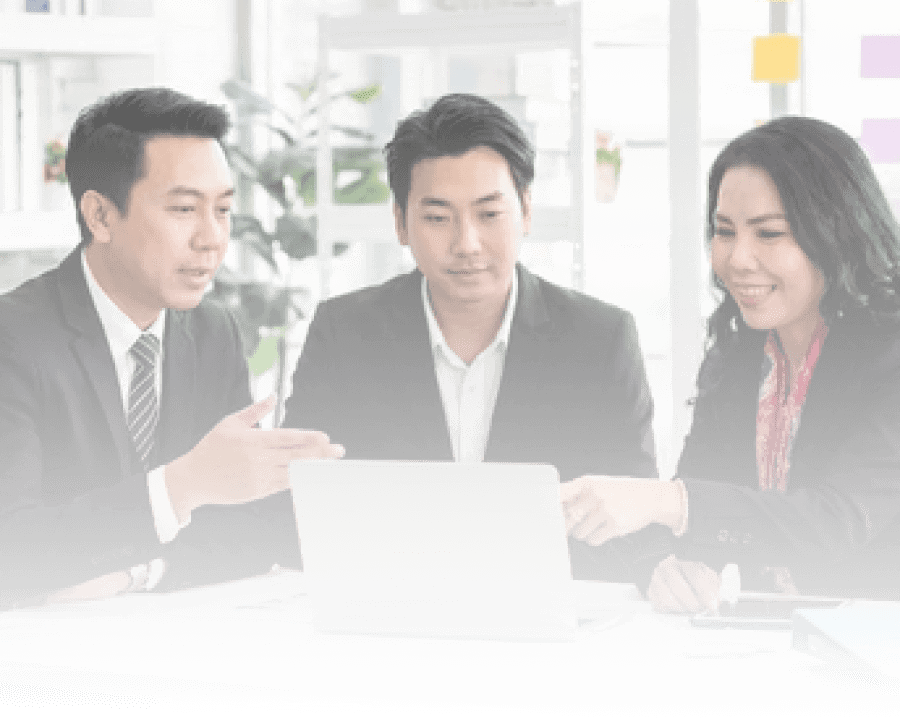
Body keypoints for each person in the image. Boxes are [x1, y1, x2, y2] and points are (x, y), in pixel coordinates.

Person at [283, 93, 658, 581]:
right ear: (400, 221)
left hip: (554, 616)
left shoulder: (599, 340)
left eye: (489, 214)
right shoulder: (345, 335)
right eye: (438, 218)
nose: (467, 244)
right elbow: (301, 500)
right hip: (385, 607)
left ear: (525, 211)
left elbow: (636, 520)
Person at [0, 87, 344, 608]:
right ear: (100, 215)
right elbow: (12, 542)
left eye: (224, 209)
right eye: (184, 208)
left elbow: (247, 531)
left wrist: (136, 572)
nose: (211, 238)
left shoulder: (213, 333)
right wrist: (182, 487)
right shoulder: (15, 339)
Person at [560, 116, 900, 608]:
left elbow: (840, 519)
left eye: (769, 234)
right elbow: (704, 521)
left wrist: (663, 501)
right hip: (786, 646)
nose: (737, 259)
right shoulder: (739, 357)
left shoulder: (891, 351)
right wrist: (672, 568)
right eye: (724, 231)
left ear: (836, 233)